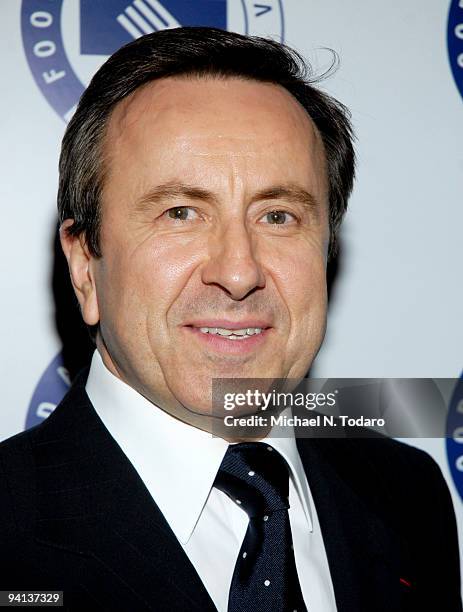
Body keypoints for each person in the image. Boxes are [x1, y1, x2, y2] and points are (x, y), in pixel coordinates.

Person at [0, 27, 461, 612]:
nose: (239, 271)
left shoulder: (406, 494)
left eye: (278, 216)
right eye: (181, 212)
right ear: (86, 264)